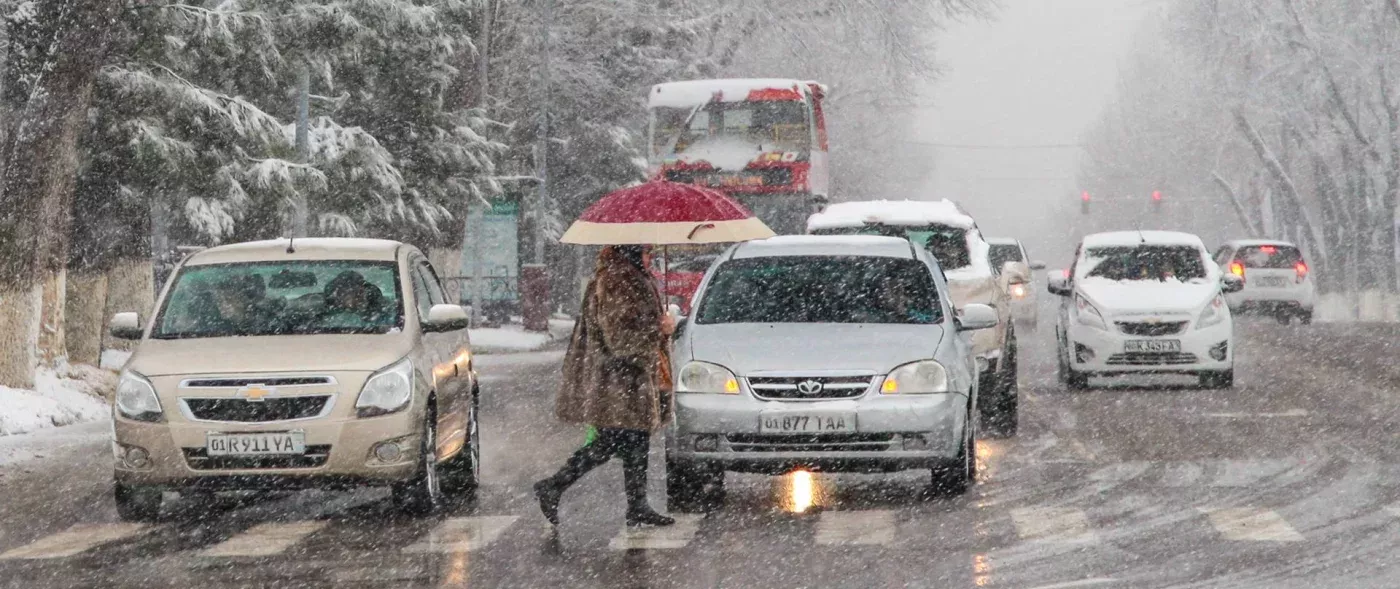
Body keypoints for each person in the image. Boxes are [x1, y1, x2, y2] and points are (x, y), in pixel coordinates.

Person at [533, 245, 677, 528]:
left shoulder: (633, 276)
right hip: (617, 380)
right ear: (632, 251)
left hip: (630, 380)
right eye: (647, 250)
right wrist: (657, 331)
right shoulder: (617, 279)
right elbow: (619, 338)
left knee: (634, 441)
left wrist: (659, 329)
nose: (652, 256)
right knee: (613, 441)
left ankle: (636, 505)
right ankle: (553, 485)